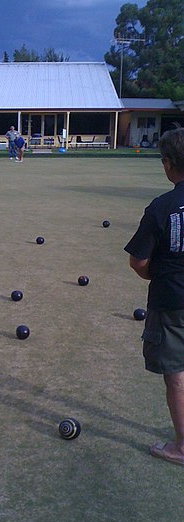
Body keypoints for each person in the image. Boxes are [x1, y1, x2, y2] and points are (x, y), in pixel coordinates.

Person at [124, 127, 184, 467]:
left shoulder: (162, 208)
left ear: (169, 164)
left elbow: (139, 262)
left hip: (172, 301)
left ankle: (182, 447)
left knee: (176, 372)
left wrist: (156, 276)